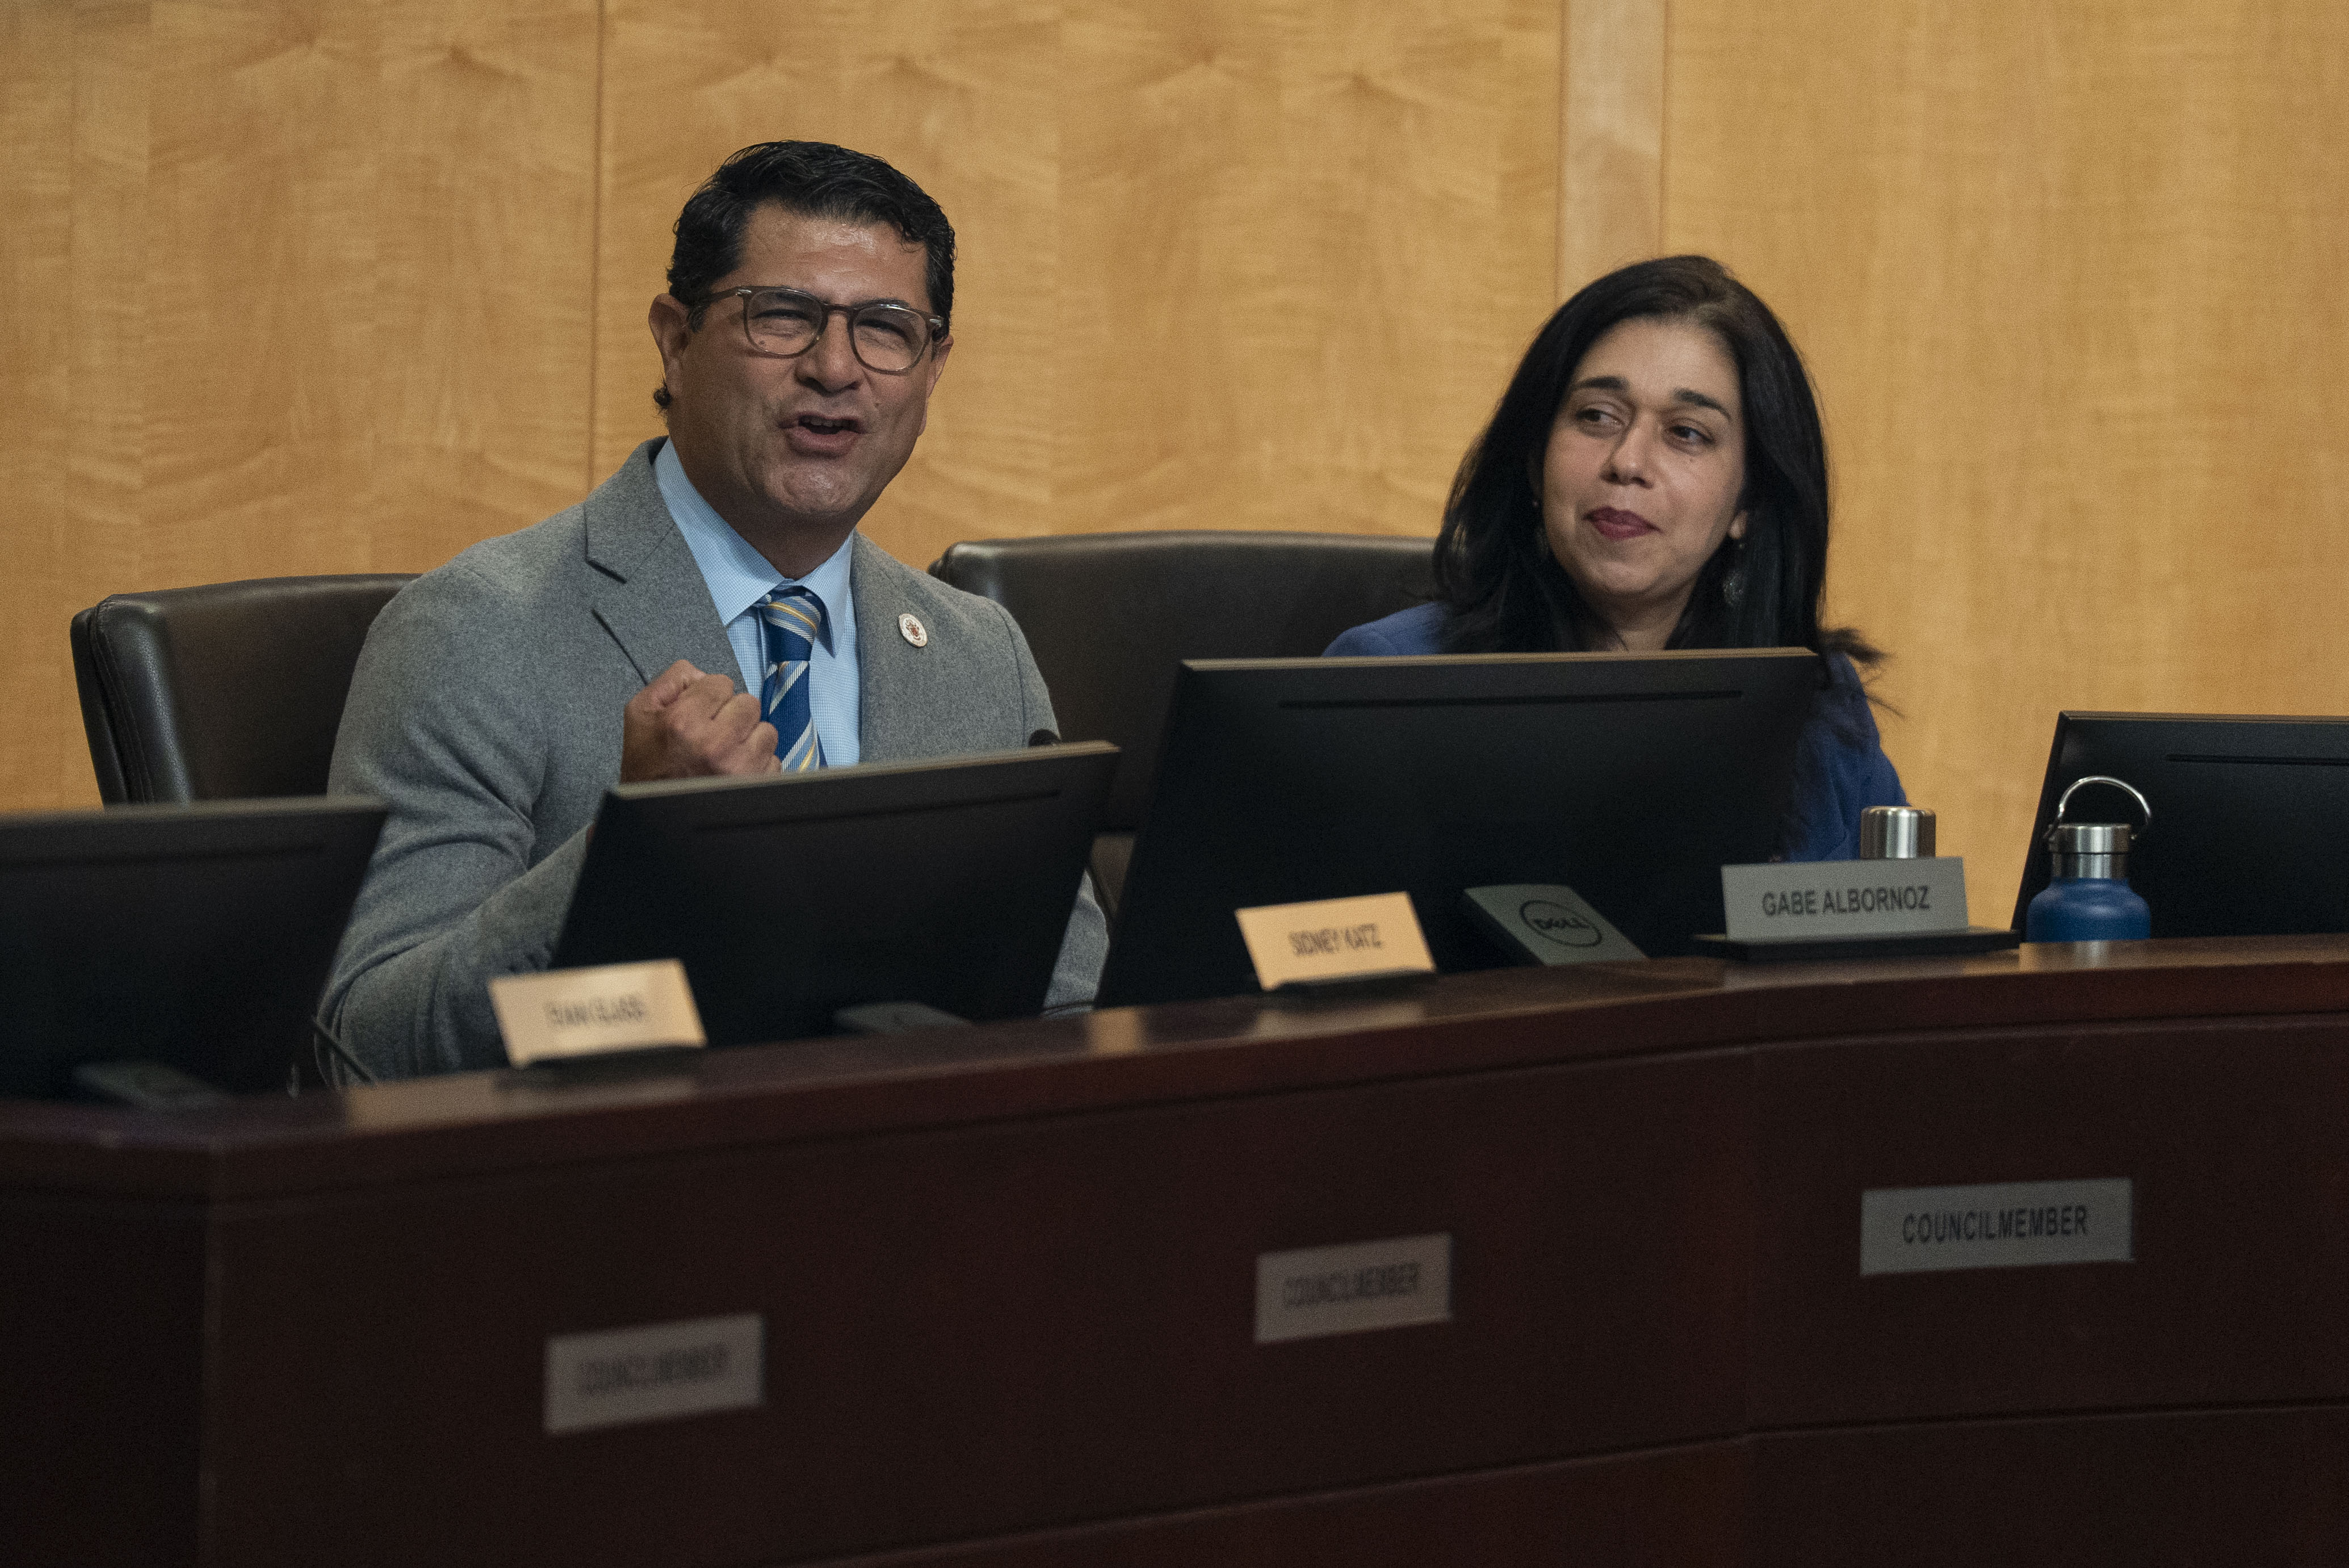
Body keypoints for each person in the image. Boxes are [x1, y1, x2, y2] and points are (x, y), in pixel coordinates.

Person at [324, 141, 1105, 1080]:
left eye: (884, 329)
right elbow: (370, 1050)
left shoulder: (981, 653)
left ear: (932, 367)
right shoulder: (476, 627)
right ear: (674, 336)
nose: (834, 367)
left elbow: (1074, 1011)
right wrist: (632, 849)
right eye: (782, 316)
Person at [1325, 254, 1903, 860]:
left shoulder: (1814, 707)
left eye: (1686, 433)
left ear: (1748, 503)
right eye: (1596, 416)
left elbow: (1899, 946)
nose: (1627, 461)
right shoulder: (1389, 681)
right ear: (1534, 458)